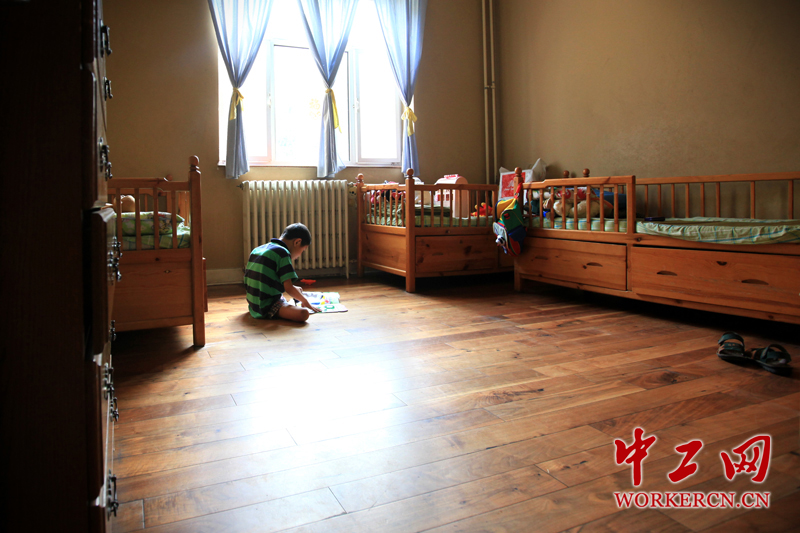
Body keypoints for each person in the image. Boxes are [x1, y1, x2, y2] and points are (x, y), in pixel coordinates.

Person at [244, 222, 320, 322]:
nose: (299, 255)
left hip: (253, 304)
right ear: (297, 242)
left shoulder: (257, 249)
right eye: (303, 250)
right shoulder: (282, 253)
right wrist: (305, 301)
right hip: (266, 305)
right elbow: (288, 288)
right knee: (303, 313)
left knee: (298, 290)